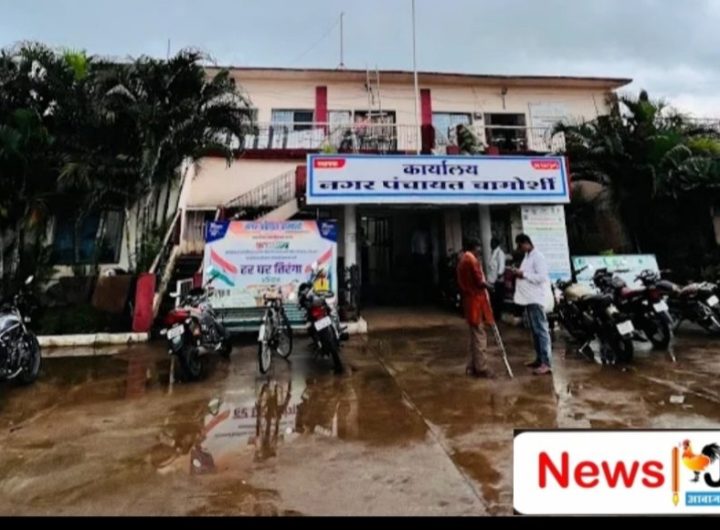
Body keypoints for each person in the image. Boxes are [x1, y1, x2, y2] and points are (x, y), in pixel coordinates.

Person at [512, 234, 552, 376]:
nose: (519, 249)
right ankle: (539, 359)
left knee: (541, 330)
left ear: (527, 243)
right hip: (528, 299)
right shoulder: (527, 257)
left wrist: (523, 274)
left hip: (536, 298)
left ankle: (546, 363)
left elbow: (541, 277)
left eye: (520, 245)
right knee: (535, 330)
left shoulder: (538, 257)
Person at [456, 238, 495, 379]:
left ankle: (472, 365)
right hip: (476, 301)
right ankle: (481, 367)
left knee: (474, 335)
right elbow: (479, 281)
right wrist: (489, 286)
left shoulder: (462, 260)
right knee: (480, 335)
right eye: (478, 247)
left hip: (469, 301)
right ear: (474, 247)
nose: (480, 250)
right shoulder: (472, 261)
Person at [487, 237, 507, 319]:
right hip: (491, 279)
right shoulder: (492, 253)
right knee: (492, 300)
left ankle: (497, 316)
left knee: (497, 300)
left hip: (497, 281)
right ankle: (494, 315)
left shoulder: (500, 253)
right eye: (490, 243)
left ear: (496, 244)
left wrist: (499, 276)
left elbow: (501, 266)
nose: (491, 244)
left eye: (492, 243)